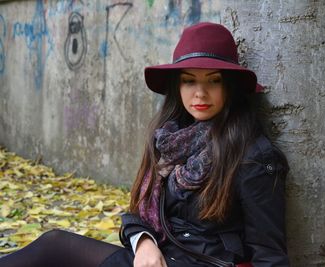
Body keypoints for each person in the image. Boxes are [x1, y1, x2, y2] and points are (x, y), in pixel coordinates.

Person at [0, 22, 289, 267]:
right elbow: (139, 213)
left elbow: (269, 256)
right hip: (156, 259)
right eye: (189, 81)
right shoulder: (169, 142)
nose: (199, 93)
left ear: (230, 86)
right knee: (54, 244)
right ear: (177, 86)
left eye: (213, 81)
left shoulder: (254, 157)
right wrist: (145, 242)